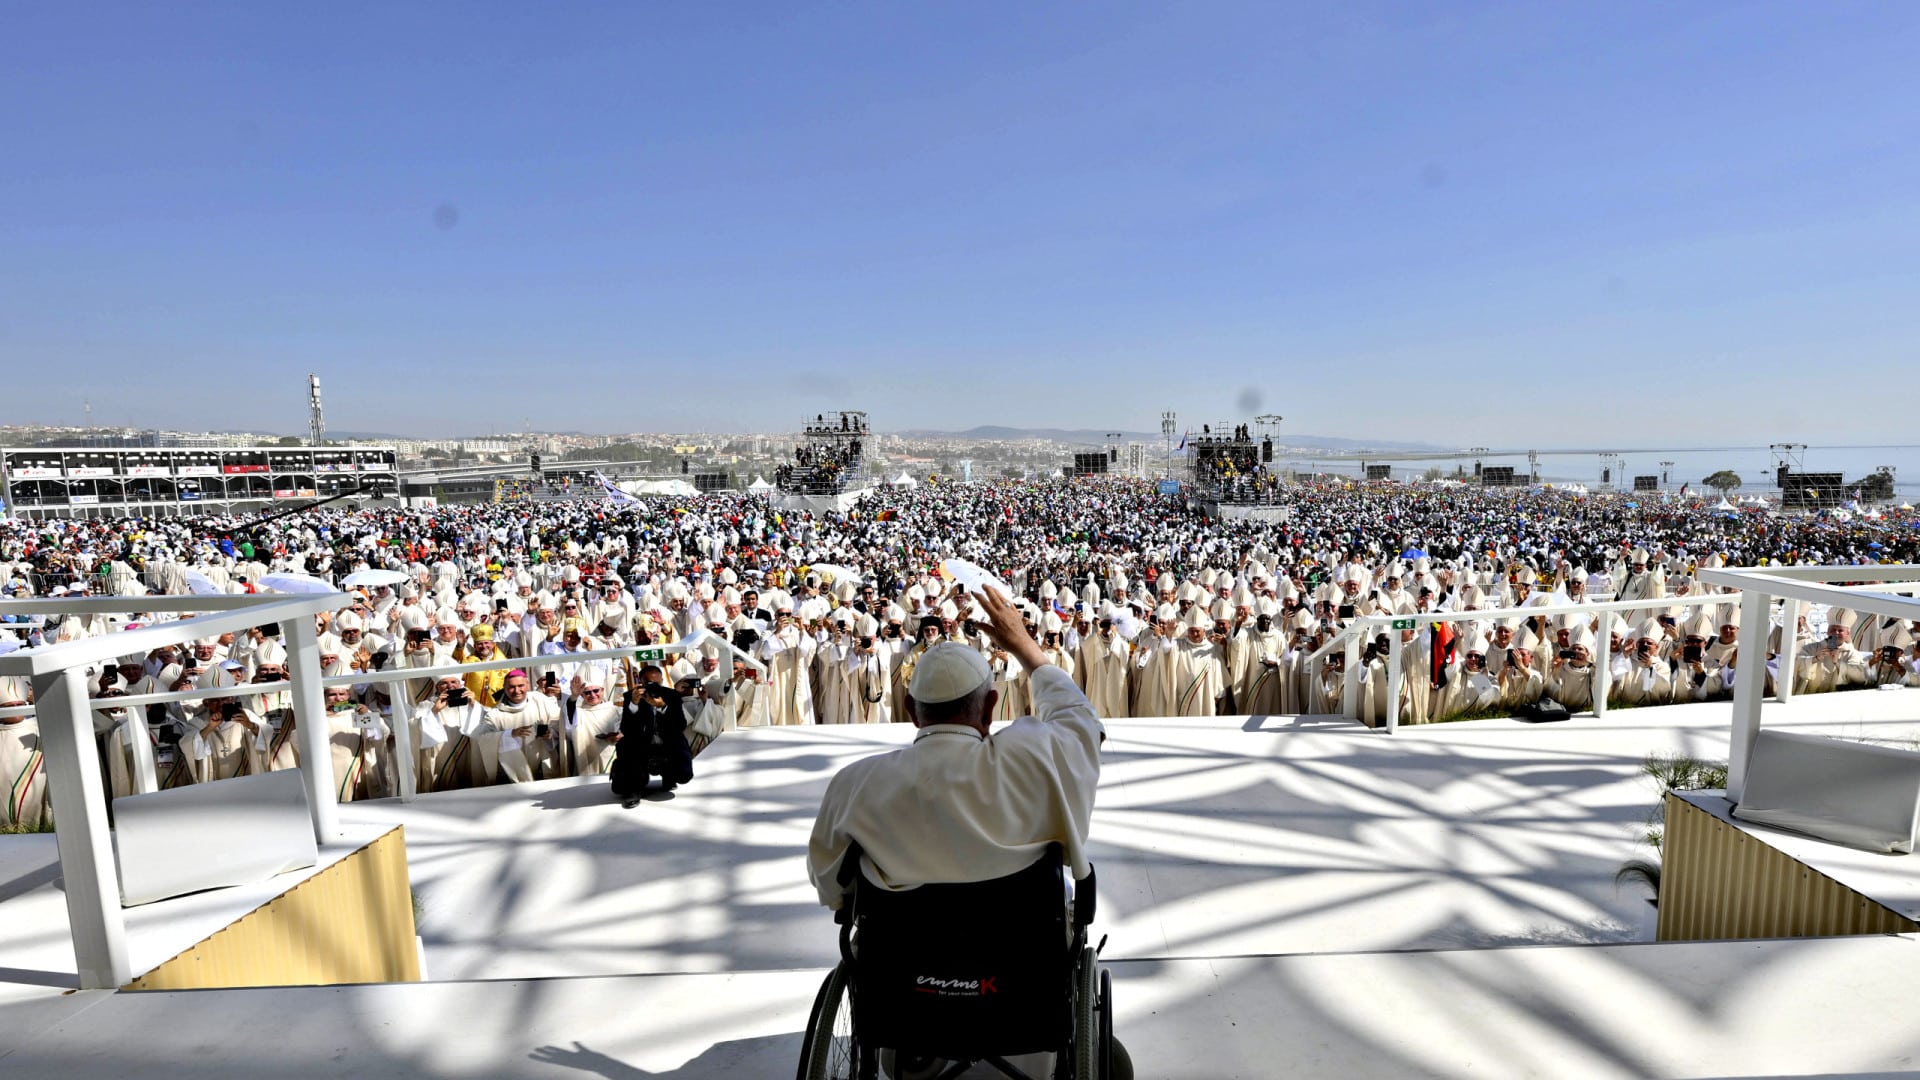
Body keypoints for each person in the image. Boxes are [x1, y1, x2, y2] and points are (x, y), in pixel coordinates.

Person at [610, 664, 692, 808]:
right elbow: (626, 729)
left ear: (662, 681)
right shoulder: (632, 696)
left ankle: (669, 775)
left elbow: (680, 725)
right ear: (641, 682)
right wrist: (634, 705)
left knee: (683, 774)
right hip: (642, 745)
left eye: (657, 683)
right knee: (625, 748)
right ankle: (633, 788)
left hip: (667, 744)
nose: (654, 687)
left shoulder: (672, 695)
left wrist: (662, 707)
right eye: (649, 683)